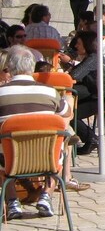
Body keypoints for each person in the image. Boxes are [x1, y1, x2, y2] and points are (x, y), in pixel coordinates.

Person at [0, 46, 81, 219]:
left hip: (10, 161)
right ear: (31, 67)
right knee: (60, 145)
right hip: (47, 159)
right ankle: (46, 195)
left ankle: (13, 201)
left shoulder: (1, 93)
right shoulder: (49, 92)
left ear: (11, 67)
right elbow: (67, 113)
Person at [66, 31, 105, 155]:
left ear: (87, 44)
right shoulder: (93, 57)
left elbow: (75, 75)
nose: (76, 46)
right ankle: (91, 138)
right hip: (96, 94)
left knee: (70, 114)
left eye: (78, 43)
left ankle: (91, 139)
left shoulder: (94, 58)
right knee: (70, 104)